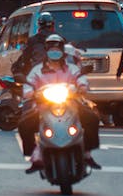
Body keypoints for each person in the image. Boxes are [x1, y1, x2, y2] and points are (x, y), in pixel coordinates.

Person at [21, 35, 99, 171]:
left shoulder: (72, 68)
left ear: (62, 50)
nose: (54, 51)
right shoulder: (37, 70)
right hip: (43, 107)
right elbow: (28, 85)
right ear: (46, 50)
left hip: (71, 105)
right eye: (51, 48)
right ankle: (34, 153)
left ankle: (87, 152)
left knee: (92, 118)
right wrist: (31, 92)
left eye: (57, 48)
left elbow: (81, 79)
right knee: (24, 124)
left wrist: (81, 87)